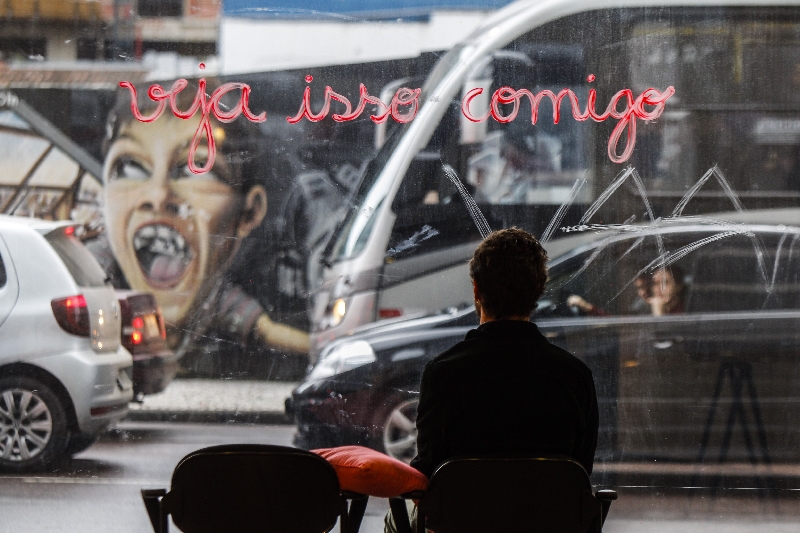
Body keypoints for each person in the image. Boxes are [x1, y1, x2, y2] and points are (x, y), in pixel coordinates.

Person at [386, 228, 598, 532]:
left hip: (462, 526)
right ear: (538, 291)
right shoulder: (576, 376)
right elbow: (579, 473)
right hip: (546, 526)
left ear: (476, 290)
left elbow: (427, 475)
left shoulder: (443, 373)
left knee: (395, 519)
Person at [90, 80, 309, 366]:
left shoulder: (213, 297)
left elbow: (266, 331)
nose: (157, 195)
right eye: (130, 167)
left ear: (249, 213)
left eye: (198, 169)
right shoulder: (93, 269)